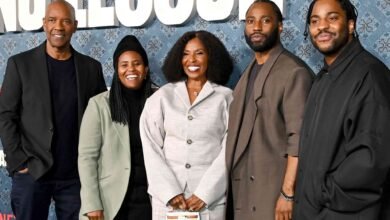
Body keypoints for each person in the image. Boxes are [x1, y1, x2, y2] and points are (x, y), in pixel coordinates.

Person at [0, 0, 107, 219]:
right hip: (32, 173)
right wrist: (18, 162)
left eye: (65, 21)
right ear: (44, 24)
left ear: (75, 26)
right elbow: (5, 115)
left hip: (76, 176)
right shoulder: (20, 64)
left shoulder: (91, 68)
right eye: (52, 20)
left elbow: (100, 120)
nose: (58, 26)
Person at [292, 0, 390, 219]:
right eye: (315, 21)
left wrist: (322, 193)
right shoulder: (323, 77)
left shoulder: (370, 75)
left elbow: (370, 160)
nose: (322, 26)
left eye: (332, 18)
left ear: (351, 25)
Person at [225, 1, 313, 220]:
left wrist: (288, 193)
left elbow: (299, 139)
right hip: (243, 192)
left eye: (265, 21)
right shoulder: (249, 71)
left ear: (280, 26)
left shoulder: (294, 72)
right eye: (251, 21)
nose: (256, 27)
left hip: (273, 194)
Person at [140, 30, 233, 220]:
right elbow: (151, 148)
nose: (192, 59)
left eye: (199, 53)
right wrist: (170, 192)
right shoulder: (162, 97)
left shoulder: (226, 98)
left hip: (209, 201)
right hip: (169, 201)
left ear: (211, 57)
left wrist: (206, 193)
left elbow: (229, 148)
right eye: (185, 54)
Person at [78, 35, 154, 220]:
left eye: (136, 64)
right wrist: (91, 203)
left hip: (152, 200)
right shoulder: (99, 105)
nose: (131, 69)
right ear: (116, 70)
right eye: (124, 65)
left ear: (145, 69)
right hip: (111, 201)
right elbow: (87, 158)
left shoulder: (159, 100)